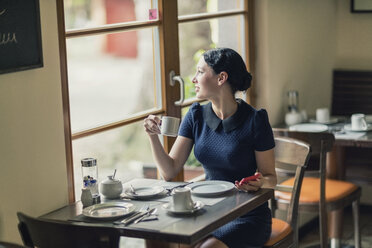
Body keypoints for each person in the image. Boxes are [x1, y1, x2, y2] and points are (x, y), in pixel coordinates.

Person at [143, 47, 277, 248]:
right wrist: (153, 136)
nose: (194, 79)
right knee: (157, 237)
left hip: (247, 216)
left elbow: (271, 177)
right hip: (205, 214)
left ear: (221, 77)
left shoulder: (255, 121)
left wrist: (259, 184)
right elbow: (168, 171)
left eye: (200, 71)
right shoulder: (195, 115)